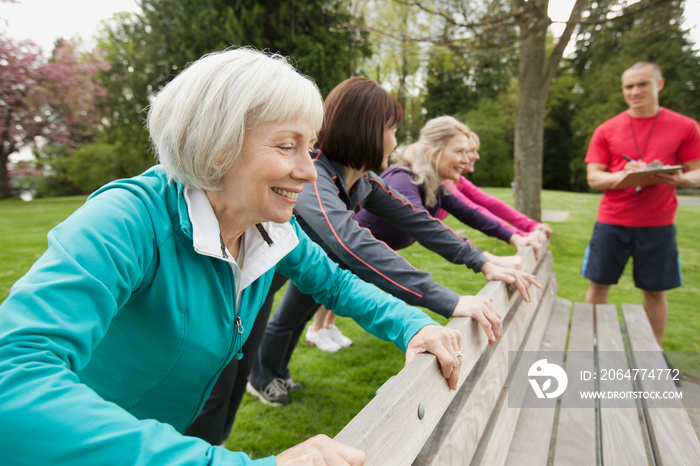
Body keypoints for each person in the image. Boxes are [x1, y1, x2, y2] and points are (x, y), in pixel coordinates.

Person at [0, 48, 468, 466]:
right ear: (217, 144)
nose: (308, 171)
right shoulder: (124, 219)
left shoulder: (267, 225)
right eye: (287, 145)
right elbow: (13, 384)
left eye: (311, 147)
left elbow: (335, 283)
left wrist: (413, 325)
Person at [246, 77, 540, 408]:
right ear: (368, 130)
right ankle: (260, 379)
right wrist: (449, 300)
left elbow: (420, 222)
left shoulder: (365, 181)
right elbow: (350, 241)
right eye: (393, 130)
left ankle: (273, 374)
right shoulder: (315, 175)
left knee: (291, 319)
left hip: (311, 265)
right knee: (261, 331)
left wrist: (482, 261)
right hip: (257, 275)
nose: (396, 142)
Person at [582, 60, 700, 346]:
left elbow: (696, 173)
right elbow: (594, 178)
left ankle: (653, 353)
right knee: (598, 284)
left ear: (659, 84)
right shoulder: (606, 129)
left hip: (658, 224)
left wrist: (679, 179)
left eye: (642, 84)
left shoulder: (685, 127)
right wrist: (623, 175)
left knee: (656, 291)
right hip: (611, 221)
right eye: (628, 86)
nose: (635, 91)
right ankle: (591, 344)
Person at [353, 115, 548, 259]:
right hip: (336, 266)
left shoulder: (432, 185)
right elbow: (429, 231)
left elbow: (472, 214)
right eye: (459, 152)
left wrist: (516, 238)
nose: (467, 160)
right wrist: (488, 259)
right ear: (433, 153)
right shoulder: (403, 182)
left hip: (355, 269)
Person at [438, 127, 553, 242]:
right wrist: (517, 235)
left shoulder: (457, 181)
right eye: (471, 150)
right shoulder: (443, 183)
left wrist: (530, 226)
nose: (477, 156)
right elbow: (473, 211)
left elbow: (491, 203)